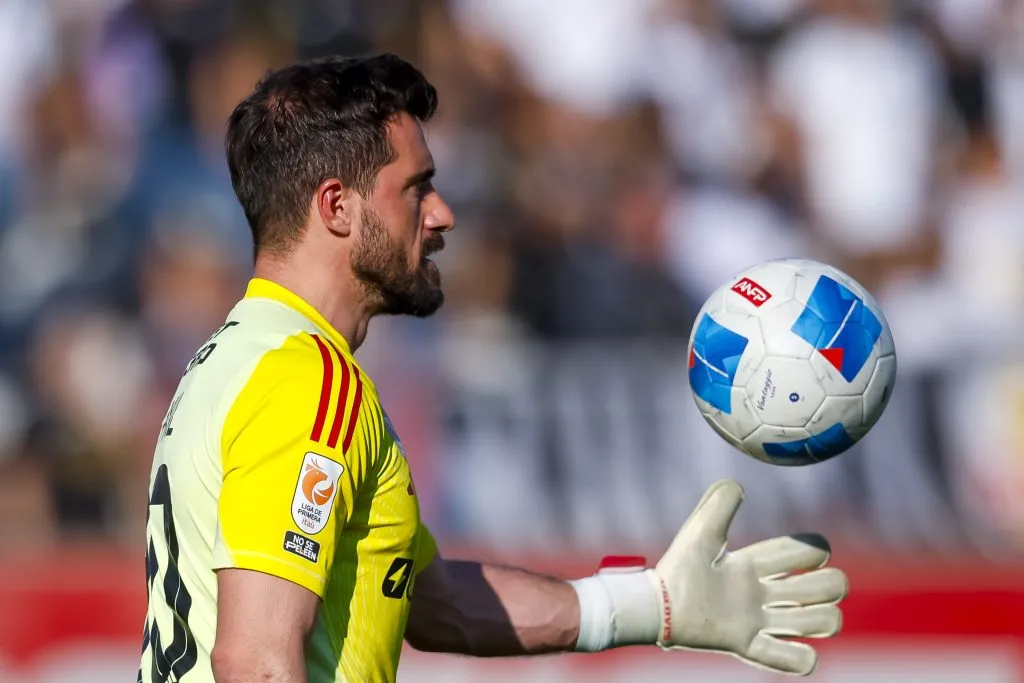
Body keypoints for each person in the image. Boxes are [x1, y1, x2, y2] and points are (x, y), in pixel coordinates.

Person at [138, 53, 847, 683]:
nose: (442, 214)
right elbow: (257, 663)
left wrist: (647, 604)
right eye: (417, 188)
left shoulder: (232, 360)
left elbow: (422, 595)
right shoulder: (308, 381)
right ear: (336, 207)